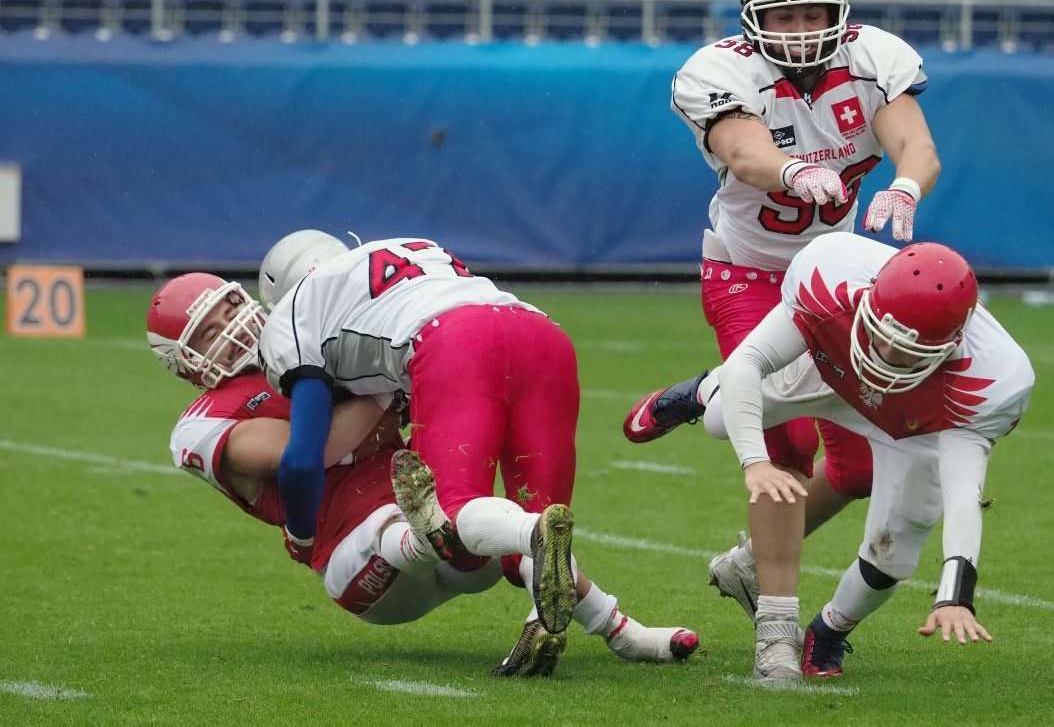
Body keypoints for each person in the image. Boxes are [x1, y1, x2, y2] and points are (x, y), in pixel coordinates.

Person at [148, 269, 695, 676]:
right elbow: (306, 451)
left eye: (229, 308)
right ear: (182, 362)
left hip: (457, 548)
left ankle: (622, 630)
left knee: (502, 525)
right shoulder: (203, 422)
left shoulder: (307, 341)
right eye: (208, 332)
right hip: (363, 567)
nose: (232, 328)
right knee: (408, 522)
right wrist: (389, 383)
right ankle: (437, 533)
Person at [622, 232, 1035, 679]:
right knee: (724, 418)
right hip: (831, 369)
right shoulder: (831, 276)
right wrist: (755, 462)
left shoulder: (991, 382)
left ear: (951, 345)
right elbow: (749, 361)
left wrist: (955, 597)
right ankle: (697, 393)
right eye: (882, 335)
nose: (886, 355)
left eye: (907, 351)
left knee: (894, 553)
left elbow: (963, 493)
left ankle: (830, 630)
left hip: (908, 426)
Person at [659, 0, 945, 577]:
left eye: (812, 14)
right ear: (752, 17)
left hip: (832, 276)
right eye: (783, 17)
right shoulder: (720, 71)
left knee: (859, 469)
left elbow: (918, 147)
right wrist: (792, 170)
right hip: (747, 269)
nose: (800, 31)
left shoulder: (875, 57)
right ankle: (778, 618)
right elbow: (744, 154)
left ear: (838, 12)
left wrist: (905, 185)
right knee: (785, 446)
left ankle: (744, 563)